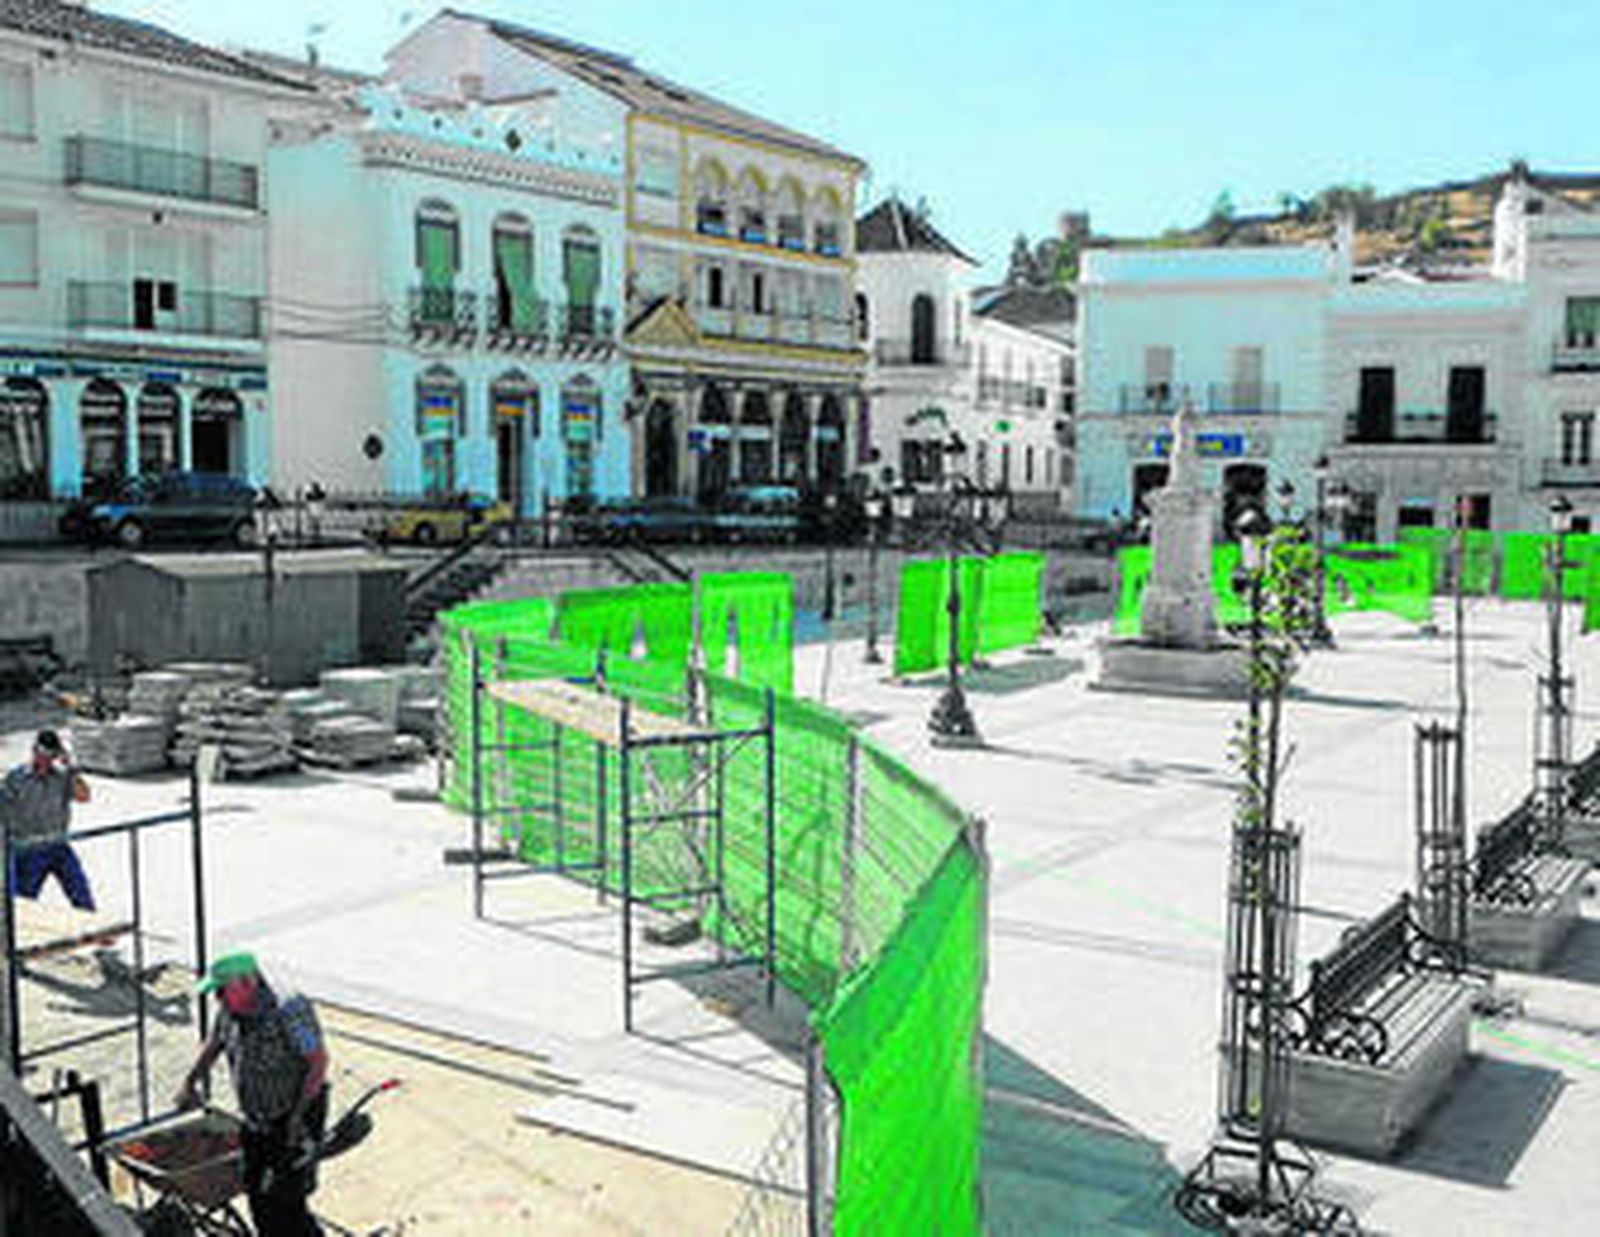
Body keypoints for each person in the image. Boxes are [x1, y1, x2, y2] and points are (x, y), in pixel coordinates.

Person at [177, 953, 330, 1237]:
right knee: (258, 1195)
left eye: (222, 991)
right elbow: (214, 1043)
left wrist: (297, 1119)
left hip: (295, 1115)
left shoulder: (290, 1008)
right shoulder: (230, 1010)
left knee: (287, 1201)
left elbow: (317, 1062)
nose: (218, 999)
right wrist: (190, 1081)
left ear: (248, 983)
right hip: (256, 1119)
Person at [2, 729, 94, 912]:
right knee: (23, 905)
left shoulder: (61, 777)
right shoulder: (16, 779)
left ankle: (95, 931)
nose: (47, 761)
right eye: (44, 755)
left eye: (52, 756)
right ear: (34, 751)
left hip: (58, 846)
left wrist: (72, 768)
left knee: (82, 895)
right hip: (28, 849)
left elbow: (84, 796)